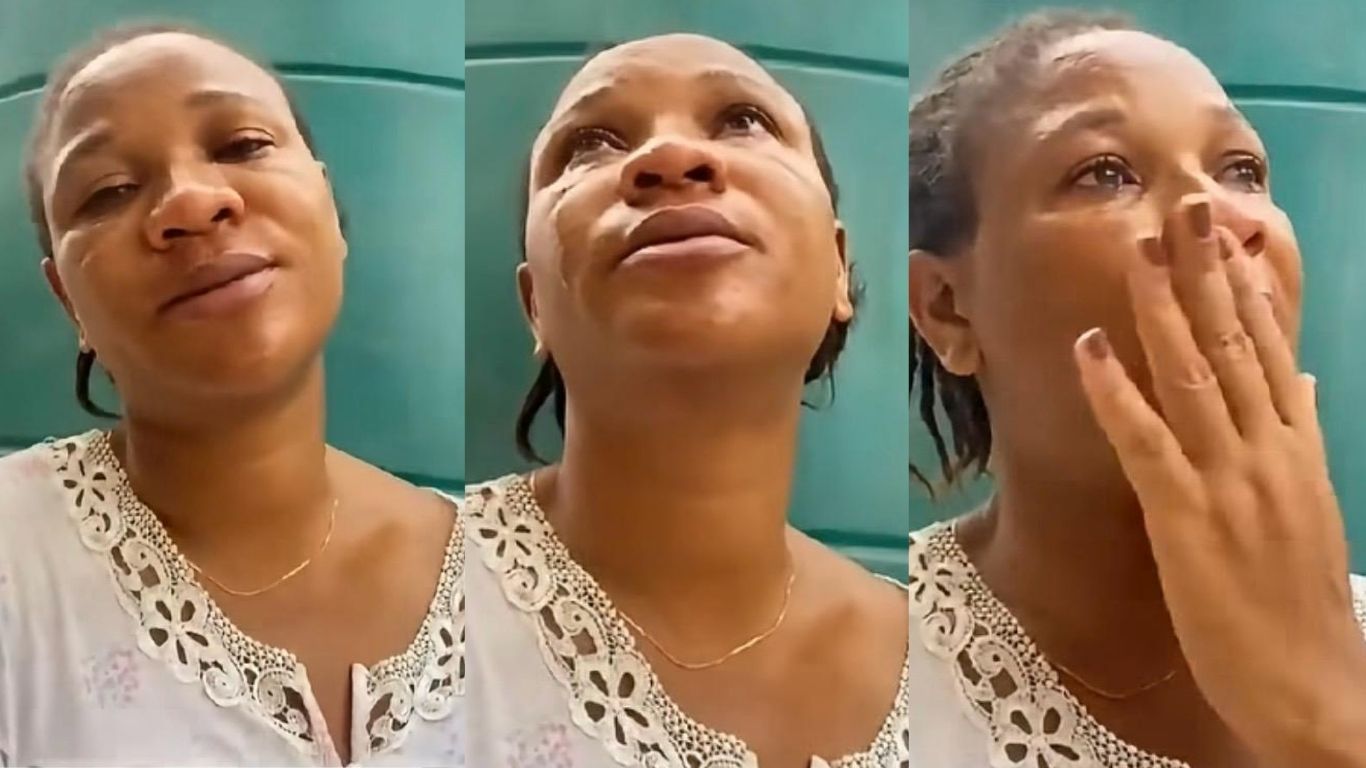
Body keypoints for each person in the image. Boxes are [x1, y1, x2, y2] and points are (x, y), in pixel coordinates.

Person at [907, 11, 1366, 768]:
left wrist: (1329, 718)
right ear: (948, 308)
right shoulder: (875, 678)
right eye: (1106, 172)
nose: (1218, 215)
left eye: (1241, 170)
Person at [0, 25, 462, 766]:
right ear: (67, 300)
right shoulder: (16, 566)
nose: (191, 202)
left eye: (242, 145)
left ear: (329, 209)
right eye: (110, 190)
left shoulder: (510, 581)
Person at [463, 33, 909, 767]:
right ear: (535, 304)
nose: (669, 157)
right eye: (590, 144)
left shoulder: (950, 673)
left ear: (839, 268)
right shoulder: (411, 602)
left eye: (742, 121)